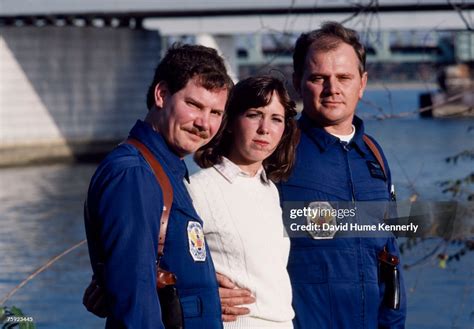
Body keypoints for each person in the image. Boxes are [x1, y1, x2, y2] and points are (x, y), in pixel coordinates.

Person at [221, 22, 407, 329]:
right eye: (319, 78)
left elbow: (390, 259)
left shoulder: (374, 155)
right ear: (298, 81)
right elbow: (218, 220)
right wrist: (201, 280)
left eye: (344, 78)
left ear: (362, 83)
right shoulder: (275, 149)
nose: (332, 89)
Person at [83, 43, 233, 329]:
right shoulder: (135, 174)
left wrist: (200, 283)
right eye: (194, 105)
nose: (205, 123)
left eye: (216, 113)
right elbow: (136, 299)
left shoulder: (165, 170)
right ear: (161, 95)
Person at [186, 76, 300, 329]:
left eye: (276, 119)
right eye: (254, 115)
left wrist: (399, 219)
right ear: (230, 122)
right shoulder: (197, 189)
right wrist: (199, 286)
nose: (264, 128)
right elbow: (157, 261)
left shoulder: (269, 190)